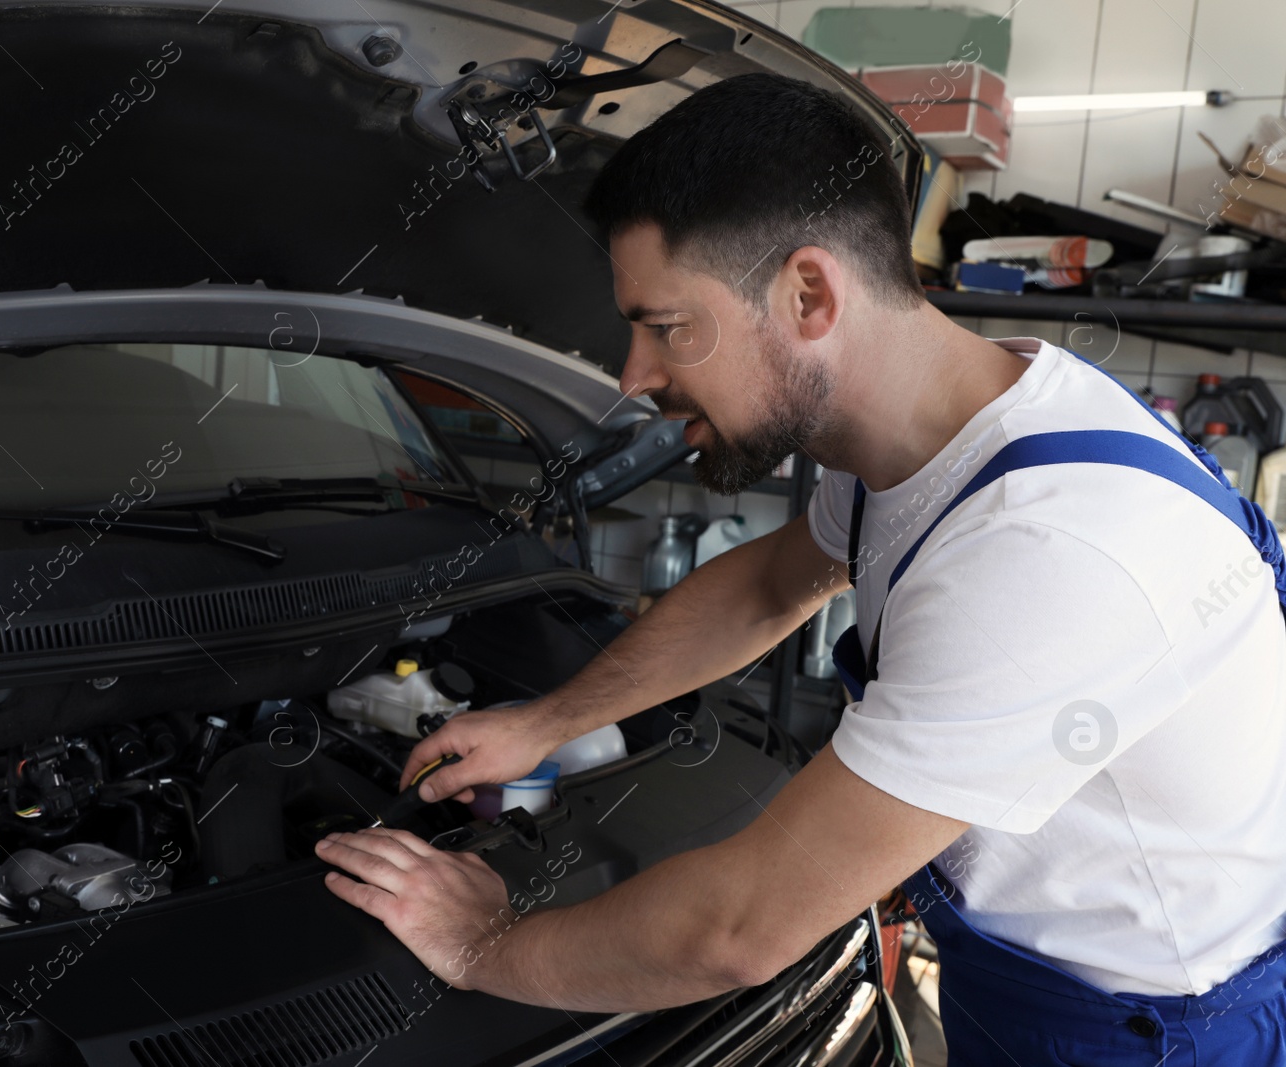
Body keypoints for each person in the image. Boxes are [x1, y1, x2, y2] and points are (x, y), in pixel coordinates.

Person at [313, 71, 1286, 1063]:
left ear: (809, 292)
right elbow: (769, 583)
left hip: (1151, 1033)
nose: (635, 375)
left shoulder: (1046, 552)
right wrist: (544, 721)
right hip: (1034, 977)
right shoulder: (929, 434)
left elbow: (741, 927)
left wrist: (483, 941)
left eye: (664, 325)